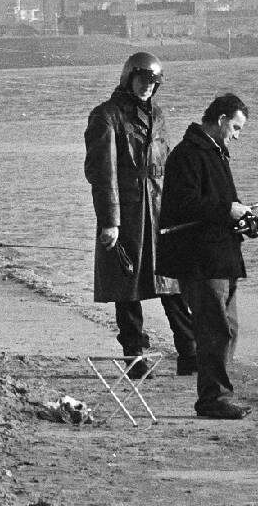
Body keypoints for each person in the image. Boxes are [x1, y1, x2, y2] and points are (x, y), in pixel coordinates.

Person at [85, 51, 195, 378]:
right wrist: (110, 222)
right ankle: (135, 358)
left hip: (160, 210)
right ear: (128, 78)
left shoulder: (157, 114)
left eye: (153, 82)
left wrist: (182, 207)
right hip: (128, 214)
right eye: (143, 80)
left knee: (172, 284)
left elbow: (167, 163)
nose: (148, 87)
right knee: (127, 288)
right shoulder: (106, 116)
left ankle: (189, 352)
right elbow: (102, 173)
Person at [158, 92, 258, 420]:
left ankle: (221, 394)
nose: (237, 135)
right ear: (220, 120)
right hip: (200, 260)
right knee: (214, 330)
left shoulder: (216, 152)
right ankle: (213, 398)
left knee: (228, 329)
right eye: (236, 127)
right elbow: (185, 205)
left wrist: (248, 223)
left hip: (223, 256)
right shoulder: (187, 155)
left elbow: (225, 206)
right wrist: (228, 210)